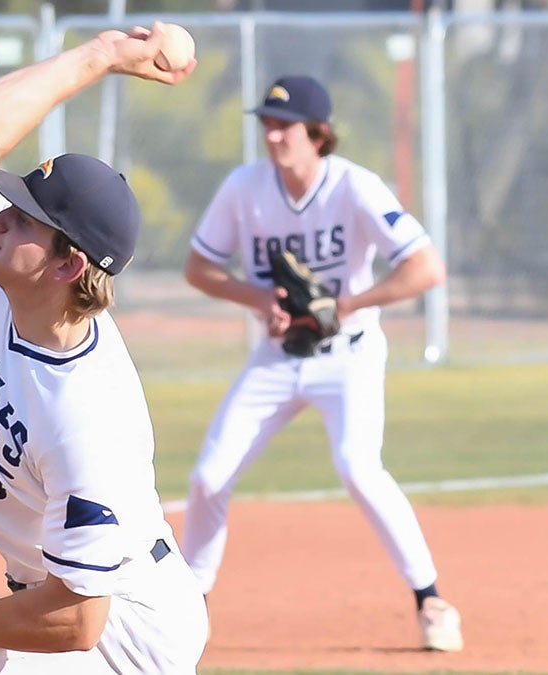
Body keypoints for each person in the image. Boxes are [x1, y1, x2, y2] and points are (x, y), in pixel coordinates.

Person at [0, 23, 206, 675]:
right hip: (64, 600)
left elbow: (78, 623)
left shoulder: (85, 418)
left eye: (22, 217)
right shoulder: (9, 275)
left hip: (126, 637)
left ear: (64, 265)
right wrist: (102, 54)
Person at [179, 75, 464, 652]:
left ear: (319, 133)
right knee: (208, 478)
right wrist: (259, 300)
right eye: (267, 123)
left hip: (348, 355)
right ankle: (188, 608)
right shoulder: (245, 188)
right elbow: (199, 268)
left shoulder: (355, 186)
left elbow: (426, 268)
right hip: (277, 355)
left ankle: (430, 599)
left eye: (285, 125)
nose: (273, 134)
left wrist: (348, 306)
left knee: (358, 467)